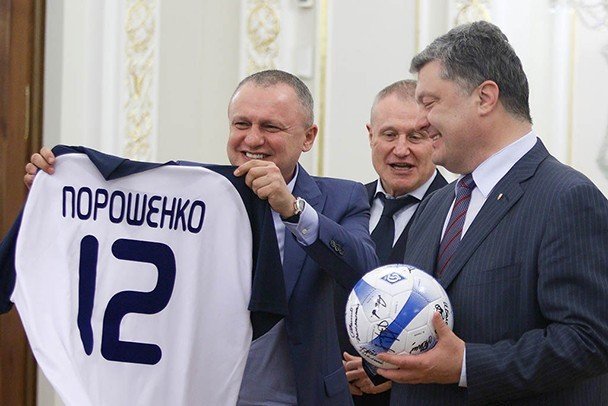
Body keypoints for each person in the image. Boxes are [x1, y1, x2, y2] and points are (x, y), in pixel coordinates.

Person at [24, 70, 379, 405]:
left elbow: (364, 270)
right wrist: (54, 193)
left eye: (270, 126)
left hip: (300, 396)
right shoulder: (186, 194)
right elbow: (110, 234)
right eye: (241, 124)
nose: (252, 139)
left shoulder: (342, 198)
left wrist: (295, 211)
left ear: (308, 137)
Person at [374, 21, 608, 405]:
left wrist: (467, 365)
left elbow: (590, 339)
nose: (420, 121)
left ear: (485, 98)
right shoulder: (436, 204)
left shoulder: (567, 198)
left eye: (429, 103)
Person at [335, 80, 447, 405]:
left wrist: (385, 372)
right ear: (371, 135)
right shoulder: (343, 205)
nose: (401, 149)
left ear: (436, 138)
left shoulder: (459, 212)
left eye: (416, 136)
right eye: (389, 134)